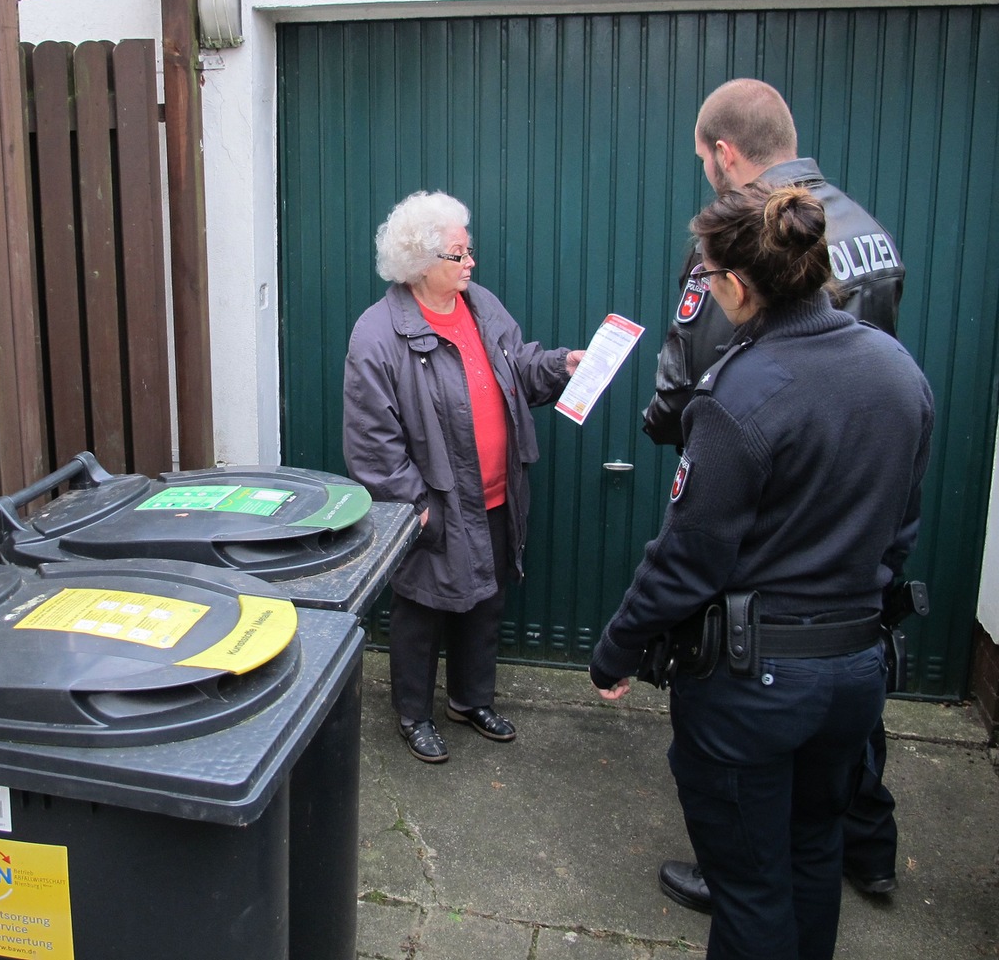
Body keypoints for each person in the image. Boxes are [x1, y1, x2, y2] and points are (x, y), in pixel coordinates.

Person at [590, 182, 933, 960]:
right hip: (854, 676)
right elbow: (900, 534)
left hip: (752, 690)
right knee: (813, 852)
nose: (706, 290)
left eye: (708, 278)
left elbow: (688, 557)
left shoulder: (739, 395)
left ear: (739, 286)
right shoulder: (898, 371)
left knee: (747, 888)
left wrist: (616, 647)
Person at [642, 78, 907, 911]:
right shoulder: (868, 232)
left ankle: (742, 876)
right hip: (860, 510)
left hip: (762, 521)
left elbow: (685, 394)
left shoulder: (737, 245)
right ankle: (864, 848)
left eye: (703, 160)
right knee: (846, 692)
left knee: (748, 716)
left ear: (724, 153)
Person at [343, 190, 583, 763]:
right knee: (421, 611)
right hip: (434, 505)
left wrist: (560, 366)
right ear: (423, 263)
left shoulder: (481, 306)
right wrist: (415, 505)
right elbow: (372, 444)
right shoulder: (377, 335)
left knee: (484, 604)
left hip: (496, 494)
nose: (471, 263)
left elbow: (518, 365)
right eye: (459, 254)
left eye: (468, 251)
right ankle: (413, 713)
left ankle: (470, 700)